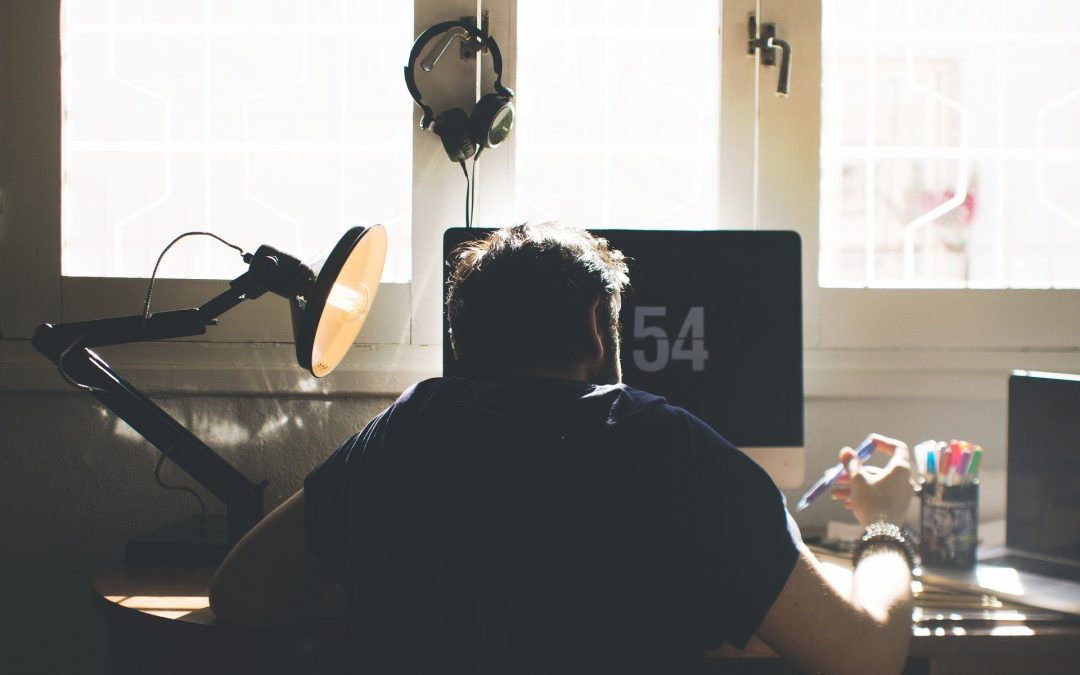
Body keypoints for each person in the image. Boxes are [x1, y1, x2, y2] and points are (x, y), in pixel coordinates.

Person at [210, 223, 915, 674]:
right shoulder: (668, 445)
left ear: (466, 339)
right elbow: (868, 654)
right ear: (594, 327)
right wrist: (885, 524)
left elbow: (237, 595)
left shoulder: (408, 428)